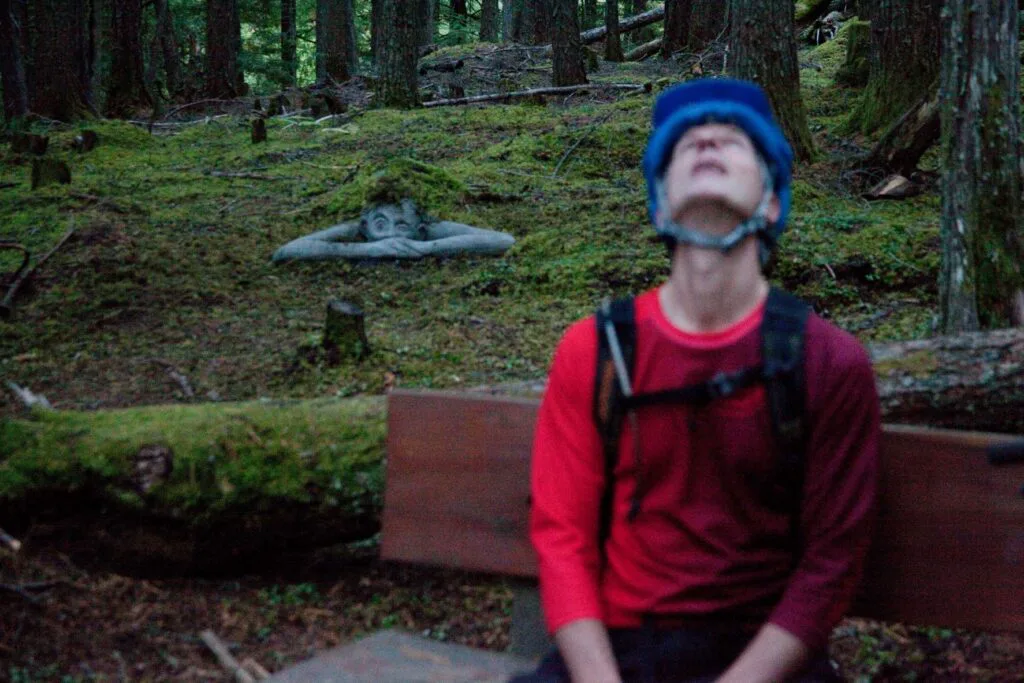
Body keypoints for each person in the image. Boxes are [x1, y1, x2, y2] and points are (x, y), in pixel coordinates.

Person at [518, 79, 881, 683]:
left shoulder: (828, 362)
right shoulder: (596, 351)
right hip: (617, 654)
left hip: (765, 661)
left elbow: (830, 563)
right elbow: (562, 538)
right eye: (684, 143)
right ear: (659, 204)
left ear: (771, 202)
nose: (707, 139)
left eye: (735, 140)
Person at [271, 199, 515, 261]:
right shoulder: (357, 230)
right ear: (366, 226)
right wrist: (367, 250)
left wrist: (425, 248)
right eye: (380, 225)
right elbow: (286, 251)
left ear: (419, 229)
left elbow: (503, 240)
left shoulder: (427, 230)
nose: (390, 234)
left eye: (401, 226)